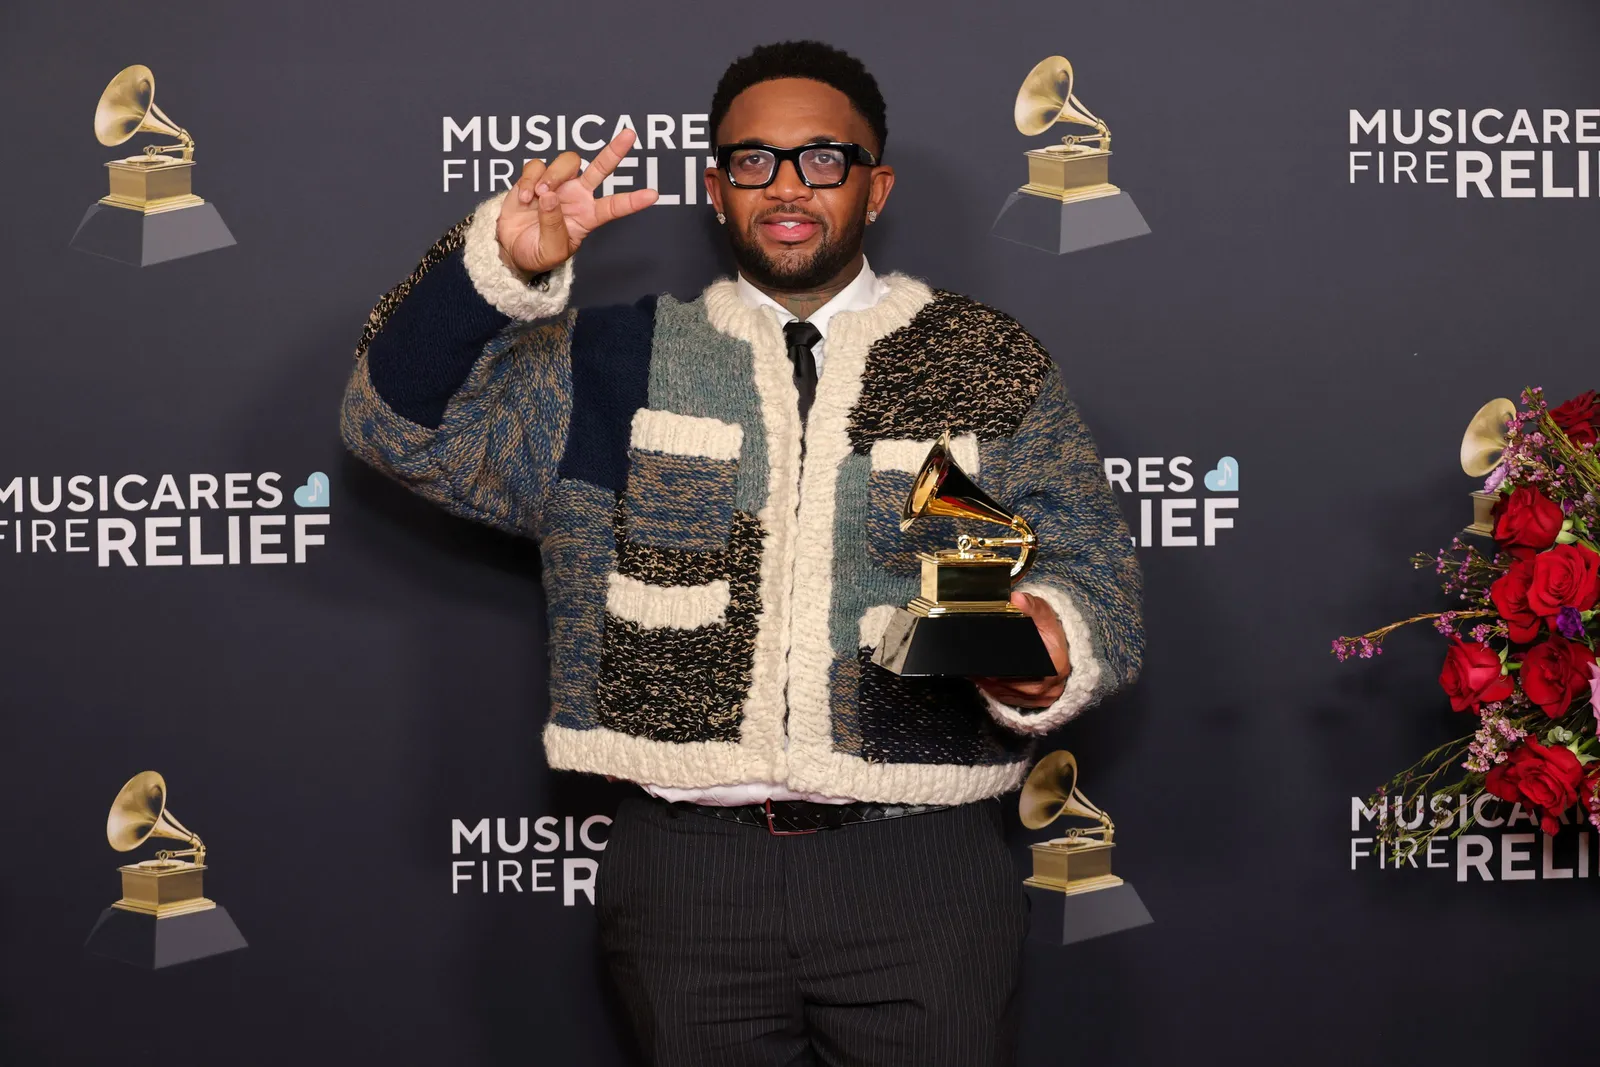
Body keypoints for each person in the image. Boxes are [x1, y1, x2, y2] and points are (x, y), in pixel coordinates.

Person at [342, 39, 1142, 1067]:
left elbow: (1095, 572)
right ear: (716, 191)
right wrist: (493, 270)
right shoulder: (607, 359)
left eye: (823, 158)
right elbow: (394, 425)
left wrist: (1046, 640)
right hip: (686, 874)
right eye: (752, 162)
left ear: (875, 185)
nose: (787, 186)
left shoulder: (983, 358)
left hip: (924, 869)